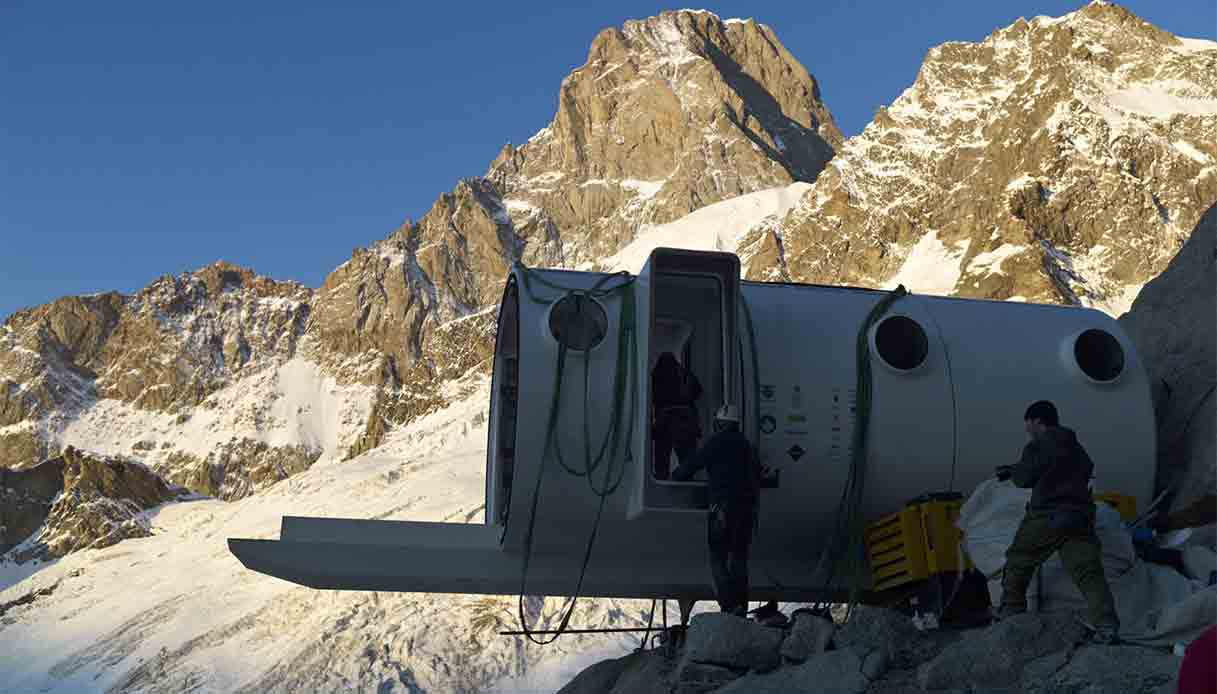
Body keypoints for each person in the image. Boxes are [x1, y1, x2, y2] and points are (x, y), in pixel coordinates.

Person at [995, 400, 1120, 644]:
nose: (1027, 430)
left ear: (1037, 421)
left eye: (1028, 424)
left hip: (1047, 516)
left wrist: (1013, 471)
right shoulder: (1074, 444)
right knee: (1088, 572)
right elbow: (1086, 468)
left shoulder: (1037, 446)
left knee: (1019, 558)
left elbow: (1026, 477)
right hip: (1080, 515)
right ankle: (1106, 626)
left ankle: (1011, 611)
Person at [672, 404, 760, 616]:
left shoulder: (714, 444)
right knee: (739, 558)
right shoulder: (747, 446)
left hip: (722, 510)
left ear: (719, 423)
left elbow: (689, 467)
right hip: (746, 510)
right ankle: (741, 606)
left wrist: (675, 475)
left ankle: (729, 605)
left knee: (718, 557)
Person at [651, 352, 703, 480]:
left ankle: (661, 483)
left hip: (665, 420)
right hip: (685, 420)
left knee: (661, 463)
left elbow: (652, 396)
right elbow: (698, 392)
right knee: (687, 462)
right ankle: (686, 484)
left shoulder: (657, 373)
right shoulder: (686, 374)